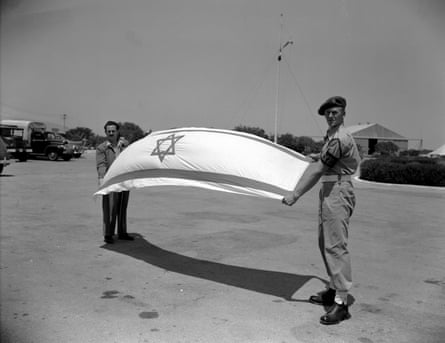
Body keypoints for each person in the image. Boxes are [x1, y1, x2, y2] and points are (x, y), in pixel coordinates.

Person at [282, 96, 360, 325]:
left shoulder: (339, 138)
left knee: (336, 245)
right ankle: (333, 288)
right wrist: (318, 155)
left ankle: (342, 303)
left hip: (337, 191)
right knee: (324, 242)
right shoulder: (331, 138)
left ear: (343, 113)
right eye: (328, 113)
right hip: (330, 190)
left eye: (335, 112)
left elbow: (319, 169)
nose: (331, 116)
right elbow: (327, 159)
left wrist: (295, 194)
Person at [96, 121, 134, 244]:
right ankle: (108, 233)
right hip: (111, 180)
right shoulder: (102, 147)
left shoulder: (125, 145)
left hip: (124, 179)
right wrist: (101, 178)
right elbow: (101, 164)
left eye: (113, 131)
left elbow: (132, 158)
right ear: (106, 132)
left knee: (123, 206)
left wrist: (126, 146)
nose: (111, 133)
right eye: (109, 131)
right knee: (110, 207)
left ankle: (122, 232)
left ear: (117, 131)